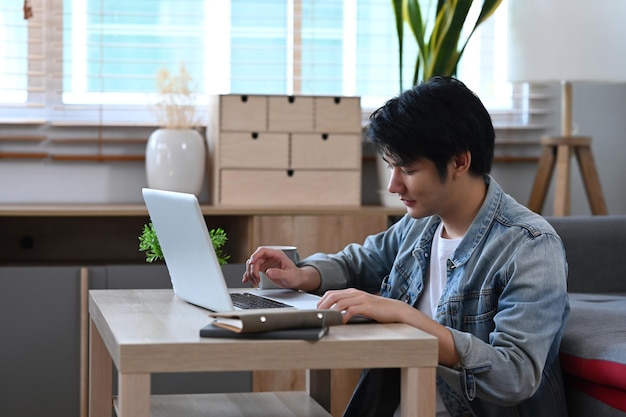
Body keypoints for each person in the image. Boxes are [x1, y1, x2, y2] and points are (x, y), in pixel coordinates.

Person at [243, 76, 570, 417]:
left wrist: (407, 318)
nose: (393, 185)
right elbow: (361, 262)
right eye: (391, 167)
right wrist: (303, 274)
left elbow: (515, 375)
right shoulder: (422, 223)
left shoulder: (531, 247)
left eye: (408, 170)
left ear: (460, 162)